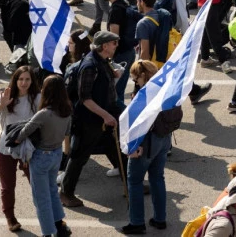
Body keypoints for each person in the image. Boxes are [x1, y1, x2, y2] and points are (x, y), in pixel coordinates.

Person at [59, 30, 125, 209]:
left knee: (115, 146)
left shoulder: (101, 60)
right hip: (89, 121)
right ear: (104, 46)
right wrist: (106, 115)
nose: (116, 46)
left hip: (104, 117)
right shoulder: (89, 66)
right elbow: (85, 97)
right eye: (114, 43)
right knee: (79, 156)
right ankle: (66, 193)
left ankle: (131, 184)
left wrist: (113, 75)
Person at [122, 60, 178, 234]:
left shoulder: (145, 94)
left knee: (135, 182)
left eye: (135, 78)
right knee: (157, 178)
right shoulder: (167, 87)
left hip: (146, 143)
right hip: (164, 140)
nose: (134, 82)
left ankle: (137, 223)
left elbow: (139, 124)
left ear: (143, 75)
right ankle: (160, 219)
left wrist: (134, 146)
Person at [0, 66, 40, 233]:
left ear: (32, 81)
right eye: (20, 79)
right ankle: (10, 217)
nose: (24, 83)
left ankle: (47, 216)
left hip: (28, 147)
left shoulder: (37, 97)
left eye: (27, 79)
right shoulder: (7, 95)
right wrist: (1, 105)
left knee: (37, 184)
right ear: (15, 80)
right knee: (8, 186)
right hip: (6, 147)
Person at [17, 75, 73, 237]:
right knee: (52, 191)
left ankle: (48, 232)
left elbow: (23, 132)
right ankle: (60, 225)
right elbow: (68, 133)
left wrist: (16, 138)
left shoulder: (44, 114)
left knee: (41, 198)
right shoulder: (67, 111)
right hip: (56, 154)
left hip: (41, 156)